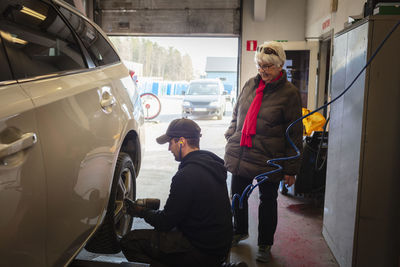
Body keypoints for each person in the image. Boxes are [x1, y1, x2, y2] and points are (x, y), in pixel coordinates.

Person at [121, 118, 247, 267]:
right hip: (219, 247)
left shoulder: (186, 176)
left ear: (181, 141)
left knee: (130, 241)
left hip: (202, 251)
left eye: (170, 143)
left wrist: (141, 212)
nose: (169, 148)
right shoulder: (211, 165)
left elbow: (165, 222)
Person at [224, 41, 303, 263]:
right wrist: (232, 134)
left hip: (271, 157)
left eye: (268, 66)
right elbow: (236, 113)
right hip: (242, 151)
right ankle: (239, 230)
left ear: (280, 66)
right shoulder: (250, 84)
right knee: (238, 196)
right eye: (260, 65)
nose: (263, 70)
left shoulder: (289, 94)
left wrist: (291, 169)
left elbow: (295, 133)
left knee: (267, 201)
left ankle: (265, 243)